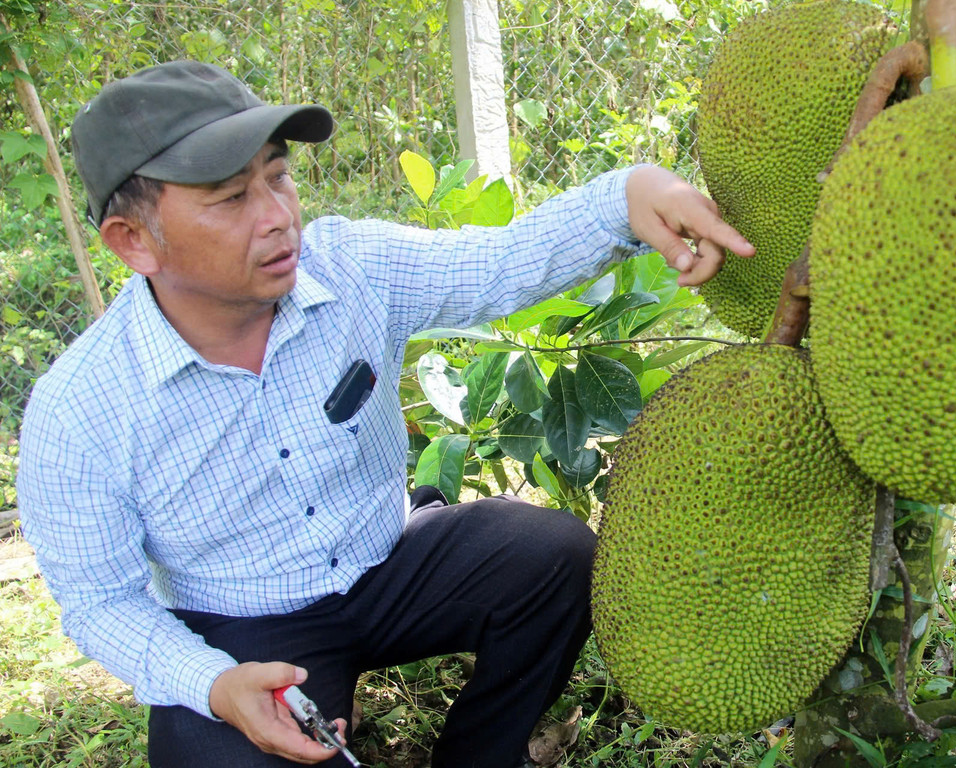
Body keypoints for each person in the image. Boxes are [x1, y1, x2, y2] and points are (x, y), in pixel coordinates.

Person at [16, 60, 753, 767]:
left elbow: (499, 263)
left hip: (388, 559)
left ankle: (480, 757)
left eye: (278, 177)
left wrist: (628, 196)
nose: (278, 218)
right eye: (232, 198)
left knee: (553, 558)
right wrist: (213, 684)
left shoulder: (351, 269)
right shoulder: (82, 407)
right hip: (246, 626)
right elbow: (101, 602)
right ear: (133, 240)